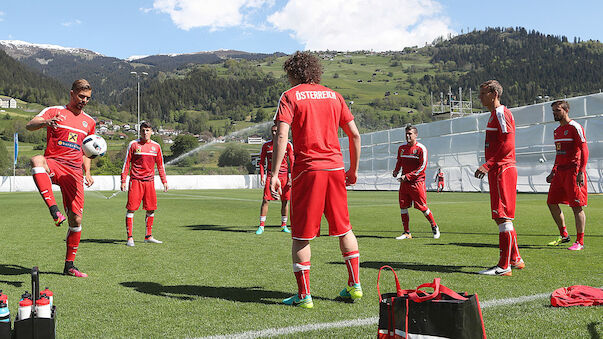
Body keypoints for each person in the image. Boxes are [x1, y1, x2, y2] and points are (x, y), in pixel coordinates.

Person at [270, 51, 362, 309]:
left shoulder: (290, 96)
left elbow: (281, 136)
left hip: (308, 171)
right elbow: (354, 135)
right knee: (345, 228)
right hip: (335, 168)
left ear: (293, 73)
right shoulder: (335, 96)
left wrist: (276, 174)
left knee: (300, 235)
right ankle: (354, 285)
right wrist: (352, 170)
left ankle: (304, 295)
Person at [26, 79, 96, 278]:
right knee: (37, 160)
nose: (84, 101)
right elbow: (29, 125)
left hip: (74, 172)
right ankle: (54, 211)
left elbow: (87, 151)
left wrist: (88, 173)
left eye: (88, 98)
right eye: (81, 96)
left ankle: (69, 266)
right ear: (72, 93)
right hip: (54, 163)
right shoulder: (54, 111)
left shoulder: (89, 122)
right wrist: (46, 122)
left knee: (77, 220)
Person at [474, 80, 524, 276]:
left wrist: (488, 164)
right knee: (500, 217)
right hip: (499, 169)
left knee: (503, 216)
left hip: (503, 169)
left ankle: (504, 267)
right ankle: (516, 258)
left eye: (483, 93)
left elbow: (508, 144)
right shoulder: (493, 115)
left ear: (494, 93)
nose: (480, 97)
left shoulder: (502, 113)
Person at [545, 100, 589, 250]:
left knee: (576, 206)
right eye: (553, 111)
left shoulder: (575, 127)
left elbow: (584, 150)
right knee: (551, 202)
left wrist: (581, 171)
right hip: (560, 172)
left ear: (566, 110)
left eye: (557, 110)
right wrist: (553, 171)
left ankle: (580, 242)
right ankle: (564, 235)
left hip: (573, 171)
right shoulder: (556, 131)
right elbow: (559, 154)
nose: (555, 114)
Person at [121, 121, 168, 247]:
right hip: (135, 181)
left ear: (151, 132)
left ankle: (148, 236)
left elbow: (160, 165)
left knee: (151, 209)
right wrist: (123, 181)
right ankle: (130, 238)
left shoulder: (156, 147)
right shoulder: (133, 144)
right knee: (131, 209)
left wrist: (164, 181)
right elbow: (126, 163)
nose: (145, 132)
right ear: (140, 131)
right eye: (143, 130)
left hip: (150, 182)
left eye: (147, 130)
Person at [392, 126, 440, 240]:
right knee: (403, 207)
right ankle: (406, 232)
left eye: (410, 134)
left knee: (422, 207)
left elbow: (422, 168)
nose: (408, 136)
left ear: (416, 135)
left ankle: (434, 226)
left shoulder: (421, 149)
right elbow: (399, 161)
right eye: (406, 134)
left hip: (416, 182)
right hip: (404, 183)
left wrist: (407, 176)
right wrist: (396, 171)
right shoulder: (401, 148)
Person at [256, 124, 294, 235]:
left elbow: (292, 161)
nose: (274, 133)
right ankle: (261, 226)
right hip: (271, 175)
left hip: (284, 177)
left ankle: (284, 225)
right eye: (272, 131)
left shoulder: (287, 145)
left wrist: (291, 177)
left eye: (276, 131)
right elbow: (262, 162)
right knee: (266, 200)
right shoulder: (266, 146)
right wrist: (262, 176)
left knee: (285, 201)